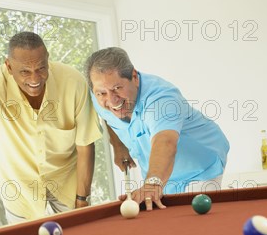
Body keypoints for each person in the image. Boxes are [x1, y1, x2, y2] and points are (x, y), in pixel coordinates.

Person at [0, 32, 101, 223]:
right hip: (20, 193)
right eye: (24, 72)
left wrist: (82, 201)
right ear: (8, 66)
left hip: (67, 185)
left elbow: (85, 146)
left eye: (41, 68)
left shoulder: (73, 81)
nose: (35, 78)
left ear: (48, 59)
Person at [85, 47, 230, 211]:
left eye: (117, 88)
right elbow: (107, 116)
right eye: (102, 93)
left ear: (134, 77)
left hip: (198, 165)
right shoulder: (97, 94)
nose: (111, 100)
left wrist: (152, 184)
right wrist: (118, 146)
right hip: (158, 173)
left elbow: (165, 142)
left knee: (192, 222)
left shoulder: (162, 98)